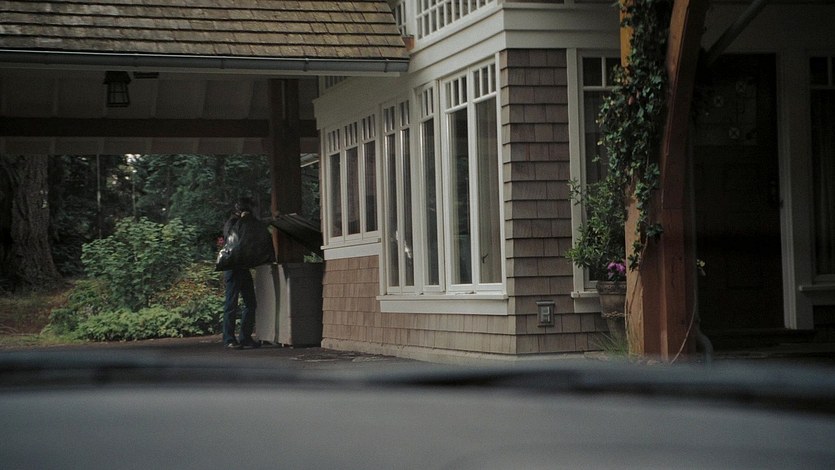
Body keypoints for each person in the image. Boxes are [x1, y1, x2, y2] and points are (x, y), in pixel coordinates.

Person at [221, 197, 261, 350]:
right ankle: (229, 339)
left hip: (243, 266)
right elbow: (232, 239)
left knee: (251, 303)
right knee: (231, 304)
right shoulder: (232, 223)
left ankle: (245, 337)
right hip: (233, 266)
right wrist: (243, 221)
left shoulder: (246, 223)